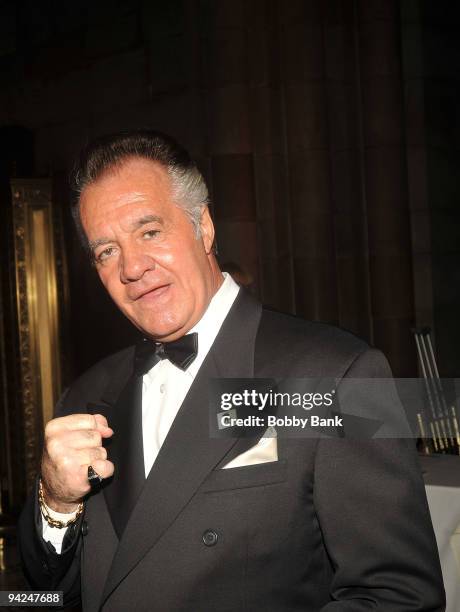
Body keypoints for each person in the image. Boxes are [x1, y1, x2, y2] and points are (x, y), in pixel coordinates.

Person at [18, 130, 445, 611]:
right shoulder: (86, 394)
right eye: (106, 251)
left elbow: (398, 596)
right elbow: (45, 595)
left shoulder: (336, 374)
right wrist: (56, 503)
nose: (132, 267)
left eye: (150, 232)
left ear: (203, 226)